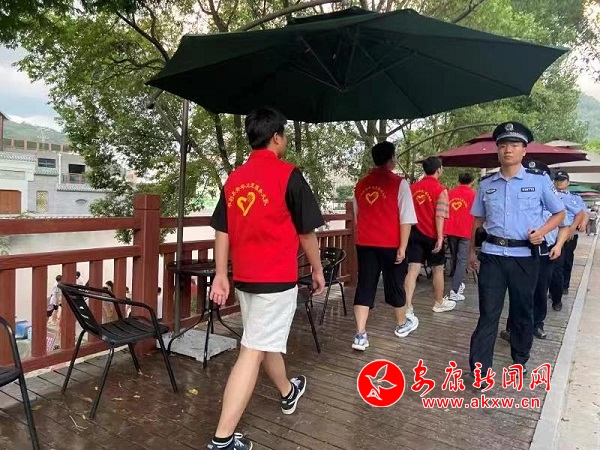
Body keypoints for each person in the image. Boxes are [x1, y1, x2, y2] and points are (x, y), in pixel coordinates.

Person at [207, 107, 326, 450]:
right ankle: (222, 440)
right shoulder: (289, 175)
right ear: (276, 137)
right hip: (275, 280)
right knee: (252, 349)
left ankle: (288, 391)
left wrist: (221, 274)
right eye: (284, 135)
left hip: (245, 279)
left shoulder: (234, 178)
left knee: (261, 340)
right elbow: (306, 233)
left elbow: (222, 230)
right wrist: (318, 269)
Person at [467, 122, 565, 380]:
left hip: (525, 258)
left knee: (522, 310)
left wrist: (542, 232)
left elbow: (560, 213)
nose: (507, 150)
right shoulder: (487, 183)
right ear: (497, 150)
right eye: (502, 145)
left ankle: (520, 359)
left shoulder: (539, 181)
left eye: (513, 145)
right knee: (488, 313)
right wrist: (472, 252)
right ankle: (480, 369)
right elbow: (478, 220)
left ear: (524, 150)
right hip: (493, 256)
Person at [351, 141, 418, 351]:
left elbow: (358, 216)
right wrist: (403, 247)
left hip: (365, 243)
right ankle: (401, 324)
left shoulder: (361, 184)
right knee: (395, 283)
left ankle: (360, 334)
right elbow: (406, 219)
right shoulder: (400, 183)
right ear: (392, 159)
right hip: (390, 244)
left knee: (365, 285)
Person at [499, 161, 574, 342]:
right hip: (520, 251)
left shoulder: (554, 200)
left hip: (544, 252)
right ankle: (512, 327)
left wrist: (558, 245)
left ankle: (537, 324)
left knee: (540, 290)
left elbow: (565, 226)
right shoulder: (518, 197)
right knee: (519, 291)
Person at [404, 156, 455, 319]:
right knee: (438, 269)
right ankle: (439, 302)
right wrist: (440, 237)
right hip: (433, 235)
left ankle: (407, 306)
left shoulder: (411, 189)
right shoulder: (441, 190)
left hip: (414, 233)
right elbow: (439, 215)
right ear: (439, 169)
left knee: (412, 270)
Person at [551, 170, 589, 297]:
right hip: (554, 233)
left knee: (566, 260)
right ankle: (555, 287)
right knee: (555, 262)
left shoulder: (574, 197)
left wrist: (580, 225)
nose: (559, 182)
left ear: (568, 182)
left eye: (562, 180)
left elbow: (583, 213)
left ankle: (564, 285)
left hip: (570, 234)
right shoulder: (551, 195)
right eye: (557, 180)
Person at [445, 172, 476, 301]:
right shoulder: (474, 195)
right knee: (461, 260)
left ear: (459, 180)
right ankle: (455, 289)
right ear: (472, 182)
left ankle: (457, 282)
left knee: (454, 257)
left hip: (450, 229)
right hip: (466, 231)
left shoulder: (450, 193)